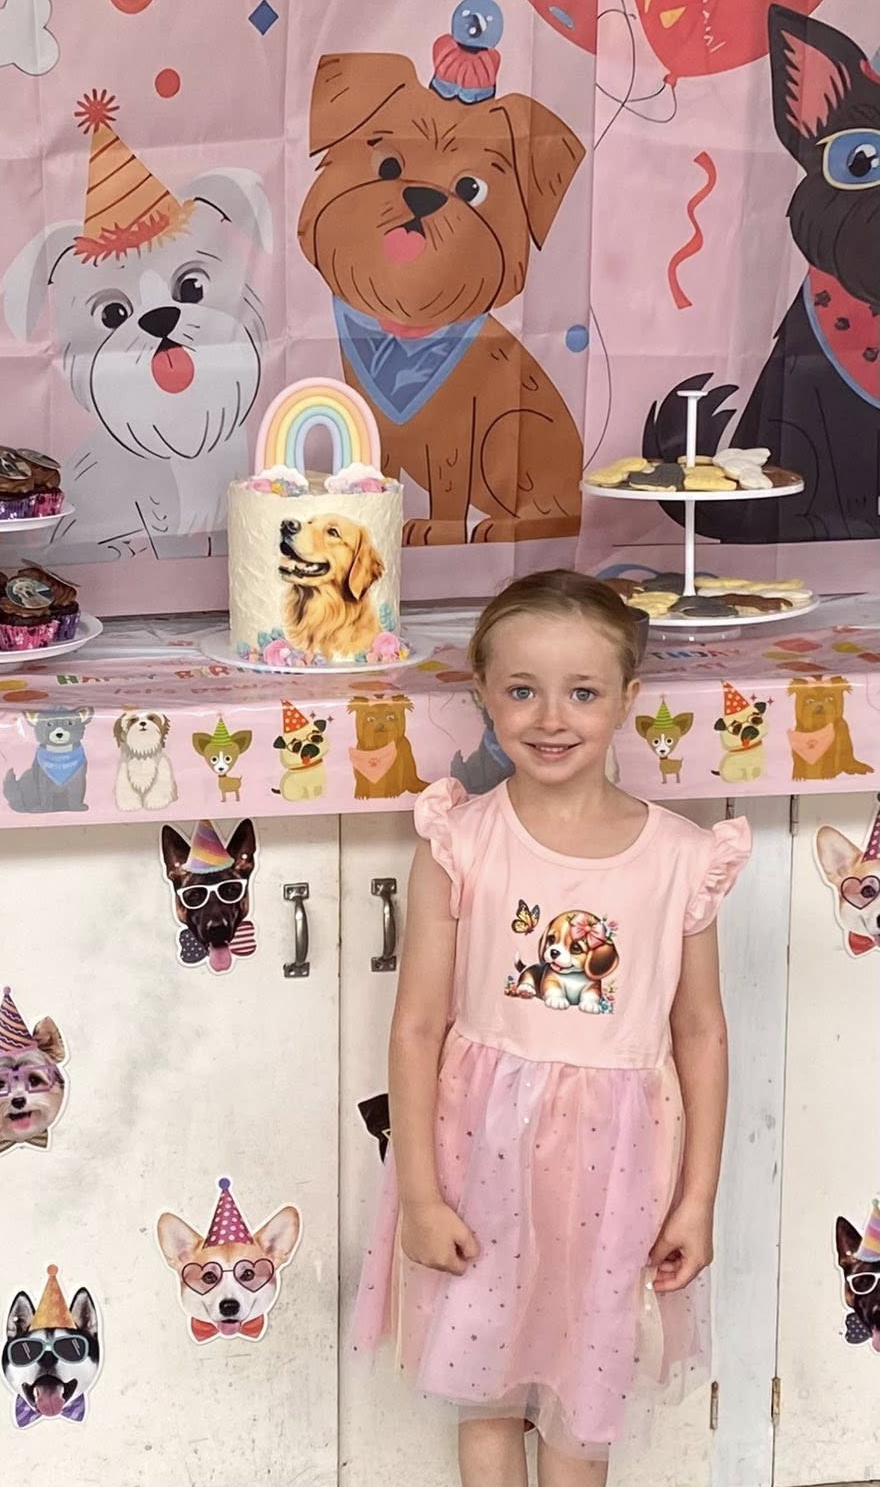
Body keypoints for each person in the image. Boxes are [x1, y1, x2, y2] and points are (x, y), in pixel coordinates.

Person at [352, 570, 750, 1485]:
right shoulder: (462, 841)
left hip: (618, 1173)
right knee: (485, 1389)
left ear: (627, 701)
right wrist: (418, 1195)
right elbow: (416, 1029)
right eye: (522, 690)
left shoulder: (684, 859)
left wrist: (697, 1196)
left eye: (582, 692)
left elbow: (702, 1035)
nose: (550, 717)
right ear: (484, 695)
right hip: (479, 1155)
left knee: (583, 1407)